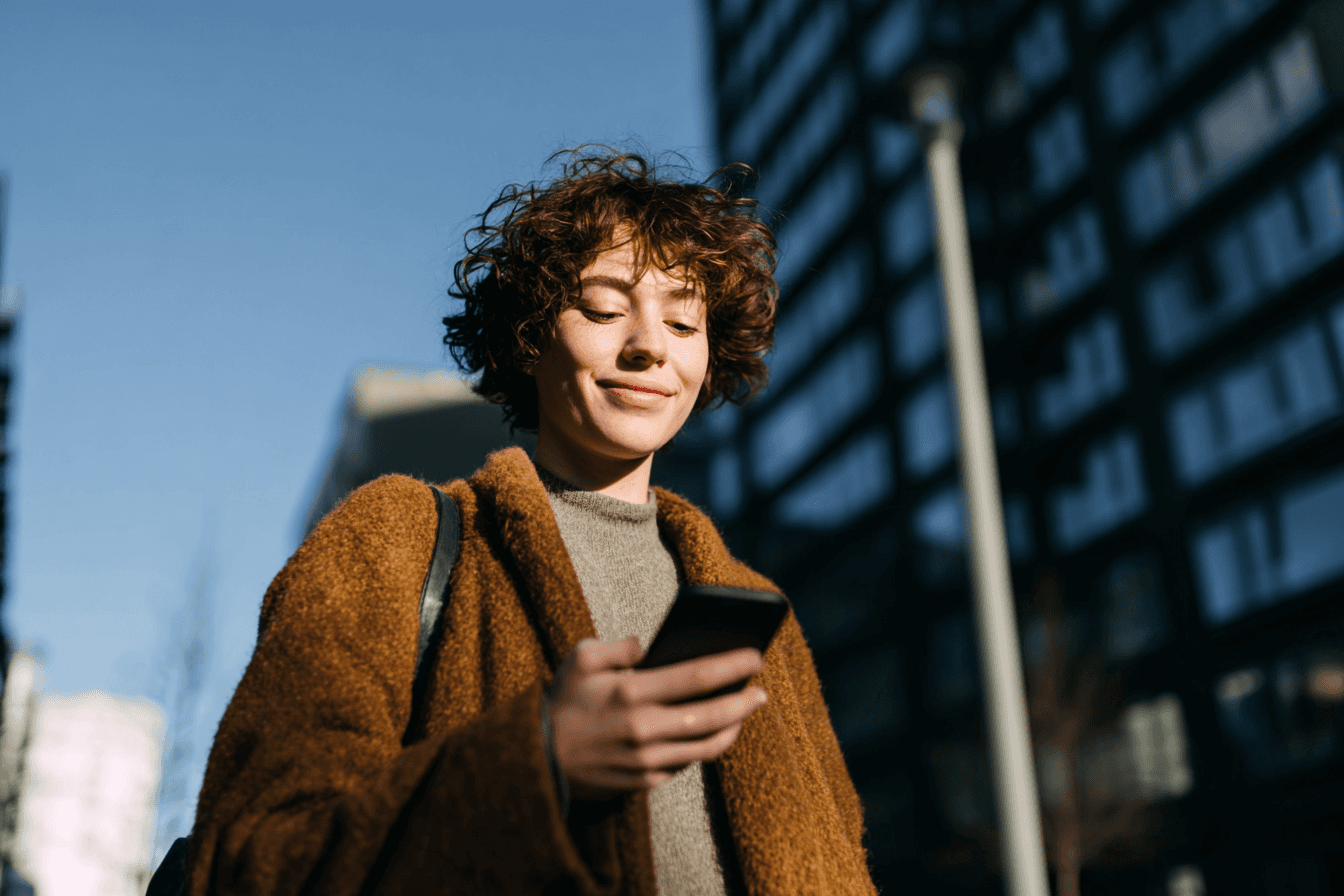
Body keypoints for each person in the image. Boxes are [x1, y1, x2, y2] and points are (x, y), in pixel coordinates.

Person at [187, 150, 877, 896]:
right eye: (604, 309)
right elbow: (252, 858)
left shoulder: (759, 615)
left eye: (684, 321)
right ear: (529, 335)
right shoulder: (394, 539)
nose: (650, 346)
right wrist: (538, 761)